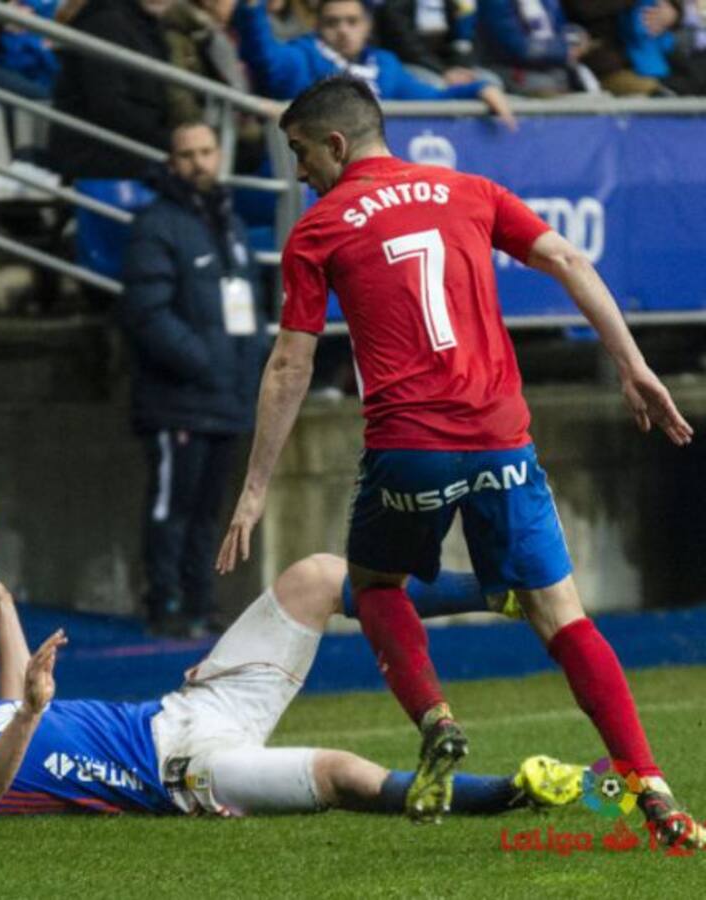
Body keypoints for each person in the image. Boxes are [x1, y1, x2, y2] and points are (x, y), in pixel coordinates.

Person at [214, 76, 702, 848]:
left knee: (374, 586)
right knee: (562, 615)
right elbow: (569, 258)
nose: (299, 172)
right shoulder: (468, 188)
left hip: (408, 450)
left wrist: (254, 490)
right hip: (502, 440)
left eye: (301, 152)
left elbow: (288, 367)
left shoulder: (319, 228)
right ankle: (657, 794)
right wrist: (633, 365)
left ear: (336, 143)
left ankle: (435, 717)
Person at [0, 555, 582, 820]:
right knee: (343, 773)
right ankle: (509, 791)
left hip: (188, 711)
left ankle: (502, 592)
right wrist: (31, 713)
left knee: (315, 578)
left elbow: (9, 699)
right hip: (181, 776)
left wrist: (0, 605)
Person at [117, 123, 268, 637]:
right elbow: (147, 315)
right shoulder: (156, 225)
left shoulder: (230, 222)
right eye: (187, 155)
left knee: (207, 512)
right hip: (177, 399)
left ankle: (203, 601)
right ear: (171, 161)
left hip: (227, 398)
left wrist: (248, 369)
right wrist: (207, 363)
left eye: (207, 151)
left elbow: (249, 307)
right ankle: (166, 601)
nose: (199, 163)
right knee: (172, 507)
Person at [225, 0, 516, 126]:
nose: (343, 30)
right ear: (317, 26)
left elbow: (431, 99)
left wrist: (479, 89)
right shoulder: (302, 55)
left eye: (352, 21)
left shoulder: (385, 65)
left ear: (367, 25)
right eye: (332, 22)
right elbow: (264, 57)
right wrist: (252, 11)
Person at [51, 0, 175, 178]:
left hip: (135, 147)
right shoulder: (105, 22)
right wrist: (168, 140)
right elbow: (108, 105)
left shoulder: (147, 25)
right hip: (97, 153)